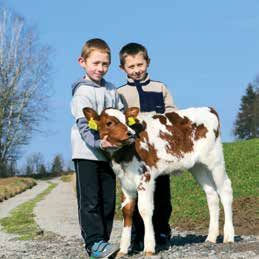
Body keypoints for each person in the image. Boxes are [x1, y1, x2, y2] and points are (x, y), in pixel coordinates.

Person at [118, 42, 176, 251]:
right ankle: (137, 235)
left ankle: (161, 230)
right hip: (133, 154)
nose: (136, 70)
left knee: (161, 192)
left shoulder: (160, 88)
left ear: (148, 62)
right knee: (134, 191)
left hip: (159, 153)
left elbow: (172, 115)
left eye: (140, 65)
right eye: (131, 67)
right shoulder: (120, 93)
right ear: (123, 69)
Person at [70, 38, 123, 258]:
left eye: (105, 64)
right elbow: (84, 125)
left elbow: (120, 117)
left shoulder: (111, 90)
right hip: (87, 153)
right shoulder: (82, 91)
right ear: (82, 62)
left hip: (108, 155)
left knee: (108, 200)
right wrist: (98, 142)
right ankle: (94, 243)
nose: (100, 68)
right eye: (96, 63)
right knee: (90, 199)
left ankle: (104, 240)